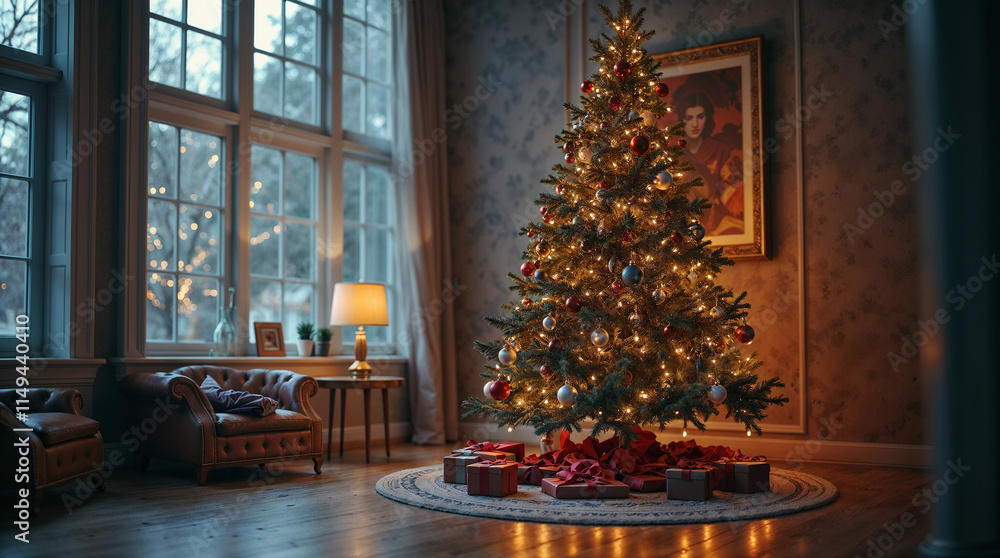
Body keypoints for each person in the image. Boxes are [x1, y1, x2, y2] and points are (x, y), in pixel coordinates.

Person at [676, 89, 745, 236]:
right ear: (682, 120)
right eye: (689, 118)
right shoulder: (673, 154)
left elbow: (729, 190)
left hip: (715, 218)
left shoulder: (720, 150)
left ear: (707, 118)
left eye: (700, 117)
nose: (695, 124)